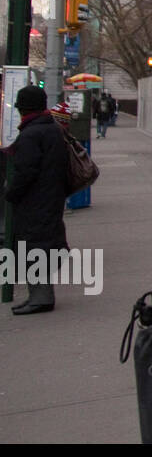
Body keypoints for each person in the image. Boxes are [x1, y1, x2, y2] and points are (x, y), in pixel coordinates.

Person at [5, 86, 70, 315]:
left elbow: (26, 171)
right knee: (42, 242)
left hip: (36, 199)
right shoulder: (51, 128)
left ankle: (41, 297)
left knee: (35, 244)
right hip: (50, 196)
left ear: (24, 108)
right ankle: (38, 294)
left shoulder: (32, 134)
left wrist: (11, 193)